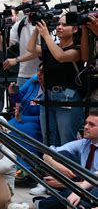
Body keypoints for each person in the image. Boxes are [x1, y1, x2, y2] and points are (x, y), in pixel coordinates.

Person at [7, 110, 98, 209]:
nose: (86, 127)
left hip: (93, 191)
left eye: (91, 125)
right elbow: (47, 154)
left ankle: (33, 207)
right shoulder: (85, 143)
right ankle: (60, 207)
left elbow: (94, 184)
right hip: (82, 186)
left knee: (72, 193)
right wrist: (59, 168)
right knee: (60, 156)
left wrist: (68, 183)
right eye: (86, 123)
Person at [27, 16, 84, 147]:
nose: (59, 27)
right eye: (58, 24)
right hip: (48, 94)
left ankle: (68, 167)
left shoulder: (77, 49)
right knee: (48, 138)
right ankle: (49, 166)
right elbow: (30, 48)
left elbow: (60, 56)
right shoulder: (52, 47)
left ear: (75, 29)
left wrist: (46, 35)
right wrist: (37, 29)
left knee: (66, 140)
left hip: (68, 96)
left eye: (64, 25)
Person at [7, 67, 42, 180]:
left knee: (26, 131)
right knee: (6, 128)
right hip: (20, 118)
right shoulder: (33, 81)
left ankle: (25, 168)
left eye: (43, 72)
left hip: (36, 121)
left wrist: (23, 119)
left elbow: (45, 116)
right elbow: (19, 97)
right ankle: (7, 165)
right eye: (38, 71)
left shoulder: (53, 88)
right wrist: (12, 93)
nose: (39, 74)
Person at [2, 0, 42, 86]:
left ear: (37, 3)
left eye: (27, 4)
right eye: (22, 4)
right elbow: (4, 46)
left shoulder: (44, 22)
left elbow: (41, 51)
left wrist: (16, 60)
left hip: (40, 74)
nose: (24, 7)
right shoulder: (20, 24)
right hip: (23, 75)